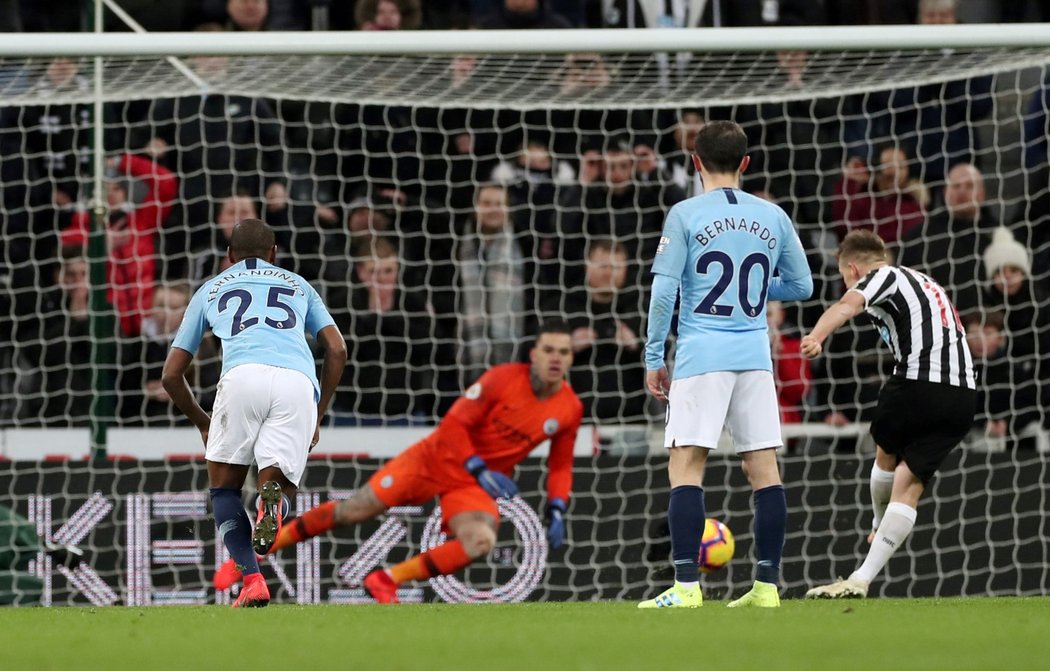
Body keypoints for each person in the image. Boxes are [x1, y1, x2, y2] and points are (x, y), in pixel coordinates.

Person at [213, 320, 583, 604]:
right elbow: (454, 424)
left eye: (564, 352)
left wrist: (557, 506)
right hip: (435, 460)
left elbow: (560, 465)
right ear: (533, 353)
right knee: (353, 512)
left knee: (481, 541)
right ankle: (244, 562)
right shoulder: (503, 379)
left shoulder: (568, 408)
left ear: (571, 358)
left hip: (472, 484)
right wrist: (478, 466)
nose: (556, 358)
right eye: (548, 349)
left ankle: (387, 579)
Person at [640, 120, 813, 609]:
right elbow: (802, 287)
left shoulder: (685, 213)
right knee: (764, 469)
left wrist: (655, 356)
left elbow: (664, 291)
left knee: (687, 465)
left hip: (702, 354)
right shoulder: (773, 215)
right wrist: (757, 296)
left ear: (695, 162)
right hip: (755, 357)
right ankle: (766, 588)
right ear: (745, 164)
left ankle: (686, 587)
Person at [161, 218, 347, 608]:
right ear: (274, 254)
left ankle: (252, 580)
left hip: (241, 377)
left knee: (225, 489)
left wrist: (202, 422)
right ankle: (272, 504)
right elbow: (337, 349)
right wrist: (319, 411)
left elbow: (171, 376)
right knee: (276, 482)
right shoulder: (299, 285)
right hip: (297, 383)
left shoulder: (211, 289)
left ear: (228, 256)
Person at [802, 230, 976, 598]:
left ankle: (878, 521)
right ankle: (861, 579)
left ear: (851, 268)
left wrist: (817, 336)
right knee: (909, 484)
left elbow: (846, 307)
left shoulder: (882, 276)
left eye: (843, 276)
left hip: (919, 380)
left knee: (884, 450)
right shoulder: (926, 281)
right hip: (963, 396)